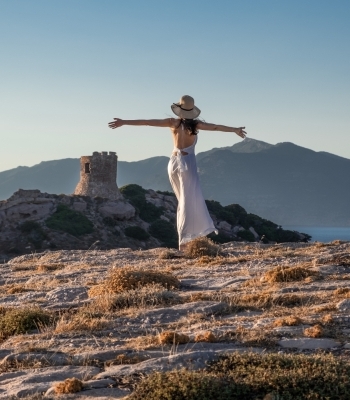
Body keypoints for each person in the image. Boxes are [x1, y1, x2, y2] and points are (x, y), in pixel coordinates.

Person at [108, 95, 246, 251]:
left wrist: (124, 122)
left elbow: (146, 122)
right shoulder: (196, 125)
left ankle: (187, 238)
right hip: (187, 163)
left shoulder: (172, 123)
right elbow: (215, 127)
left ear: (179, 109)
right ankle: (185, 241)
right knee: (189, 202)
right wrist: (235, 130)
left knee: (183, 201)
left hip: (172, 163)